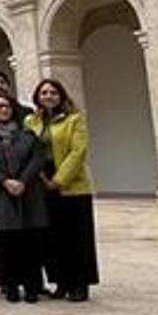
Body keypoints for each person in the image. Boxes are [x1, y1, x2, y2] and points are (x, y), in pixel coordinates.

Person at [24, 79, 98, 302]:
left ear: (62, 96)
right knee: (53, 237)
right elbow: (26, 150)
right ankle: (61, 282)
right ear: (37, 97)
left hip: (72, 185)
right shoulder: (31, 121)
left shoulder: (75, 119)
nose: (48, 96)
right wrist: (38, 177)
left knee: (77, 236)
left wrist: (58, 180)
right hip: (41, 181)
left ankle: (80, 283)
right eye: (44, 92)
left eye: (53, 92)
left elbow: (78, 152)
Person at [0, 93, 48, 304]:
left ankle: (32, 285)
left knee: (30, 241)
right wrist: (5, 182)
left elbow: (37, 160)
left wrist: (22, 181)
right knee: (6, 243)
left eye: (6, 106)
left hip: (28, 193)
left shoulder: (28, 135)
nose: (3, 110)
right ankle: (11, 285)